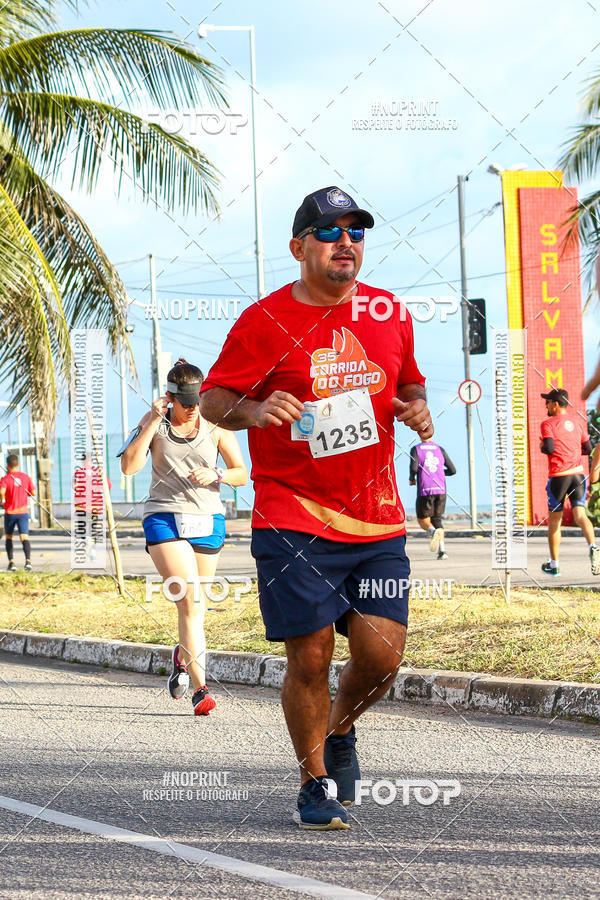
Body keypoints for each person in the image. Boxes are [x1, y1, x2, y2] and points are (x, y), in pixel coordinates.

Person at [200, 185, 432, 830]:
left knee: (383, 656)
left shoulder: (390, 313)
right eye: (330, 233)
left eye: (356, 232)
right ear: (300, 246)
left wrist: (416, 406)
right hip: (292, 514)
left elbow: (408, 379)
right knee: (309, 657)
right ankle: (315, 783)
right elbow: (216, 397)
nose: (346, 243)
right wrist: (251, 409)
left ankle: (341, 728)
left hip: (376, 517)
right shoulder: (262, 321)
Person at [120, 358, 247, 715]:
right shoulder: (155, 426)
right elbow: (129, 467)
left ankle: (182, 653)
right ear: (170, 398)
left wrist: (217, 474)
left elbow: (242, 474)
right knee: (189, 602)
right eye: (186, 403)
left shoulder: (216, 426)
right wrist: (148, 421)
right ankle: (200, 689)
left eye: (197, 403)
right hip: (164, 518)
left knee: (196, 607)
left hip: (208, 520)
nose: (192, 410)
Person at [539, 388, 599, 577]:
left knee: (554, 523)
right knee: (581, 515)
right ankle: (593, 545)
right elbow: (587, 448)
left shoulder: (547, 424)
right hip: (578, 475)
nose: (546, 405)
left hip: (559, 476)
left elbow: (549, 448)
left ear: (555, 405)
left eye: (548, 402)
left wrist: (542, 445)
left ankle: (554, 565)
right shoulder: (578, 423)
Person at [409, 439, 455, 560]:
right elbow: (452, 470)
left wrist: (412, 478)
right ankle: (442, 551)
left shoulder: (416, 449)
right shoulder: (440, 449)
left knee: (422, 520)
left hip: (425, 489)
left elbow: (414, 468)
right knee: (437, 519)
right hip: (441, 490)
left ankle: (433, 532)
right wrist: (439, 472)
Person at [73, 453, 112, 561]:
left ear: (83, 461)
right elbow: (108, 486)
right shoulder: (99, 472)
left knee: (83, 530)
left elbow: (75, 487)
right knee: (93, 529)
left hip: (82, 506)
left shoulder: (78, 472)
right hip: (95, 506)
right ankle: (92, 550)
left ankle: (88, 545)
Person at [0, 454, 36, 571]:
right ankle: (28, 562)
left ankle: (12, 563)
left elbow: (2, 492)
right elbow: (34, 493)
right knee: (24, 537)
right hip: (23, 512)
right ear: (18, 464)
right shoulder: (25, 477)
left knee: (9, 537)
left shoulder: (5, 479)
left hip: (10, 513)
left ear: (7, 465)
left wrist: (4, 499)